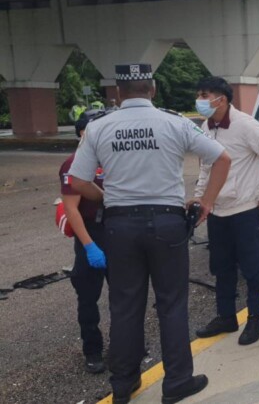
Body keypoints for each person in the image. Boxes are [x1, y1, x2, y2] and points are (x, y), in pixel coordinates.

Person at [68, 64, 231, 404]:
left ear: (117, 93)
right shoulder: (174, 122)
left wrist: (109, 197)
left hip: (120, 226)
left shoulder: (99, 127)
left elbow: (79, 182)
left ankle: (123, 385)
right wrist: (207, 203)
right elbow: (222, 159)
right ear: (153, 90)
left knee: (125, 306)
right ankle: (176, 384)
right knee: (172, 304)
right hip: (167, 223)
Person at [192, 77, 259, 345]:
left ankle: (255, 320)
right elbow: (206, 167)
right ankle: (226, 317)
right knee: (221, 267)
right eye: (199, 95)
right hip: (217, 211)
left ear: (220, 99)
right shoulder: (206, 125)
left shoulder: (245, 126)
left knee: (252, 269)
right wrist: (201, 198)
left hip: (244, 211)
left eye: (204, 95)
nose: (200, 100)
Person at [59, 109, 109, 374]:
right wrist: (90, 246)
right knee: (88, 299)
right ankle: (93, 350)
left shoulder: (110, 156)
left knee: (126, 296)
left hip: (117, 232)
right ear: (82, 132)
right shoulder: (74, 163)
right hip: (91, 234)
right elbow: (72, 209)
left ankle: (128, 345)